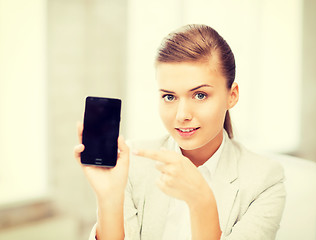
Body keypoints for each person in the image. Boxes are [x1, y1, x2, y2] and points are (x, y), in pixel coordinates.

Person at [74, 24, 286, 240]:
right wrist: (109, 199)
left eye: (200, 95)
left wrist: (201, 201)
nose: (181, 115)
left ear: (232, 95)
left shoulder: (265, 180)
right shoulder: (132, 162)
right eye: (169, 97)